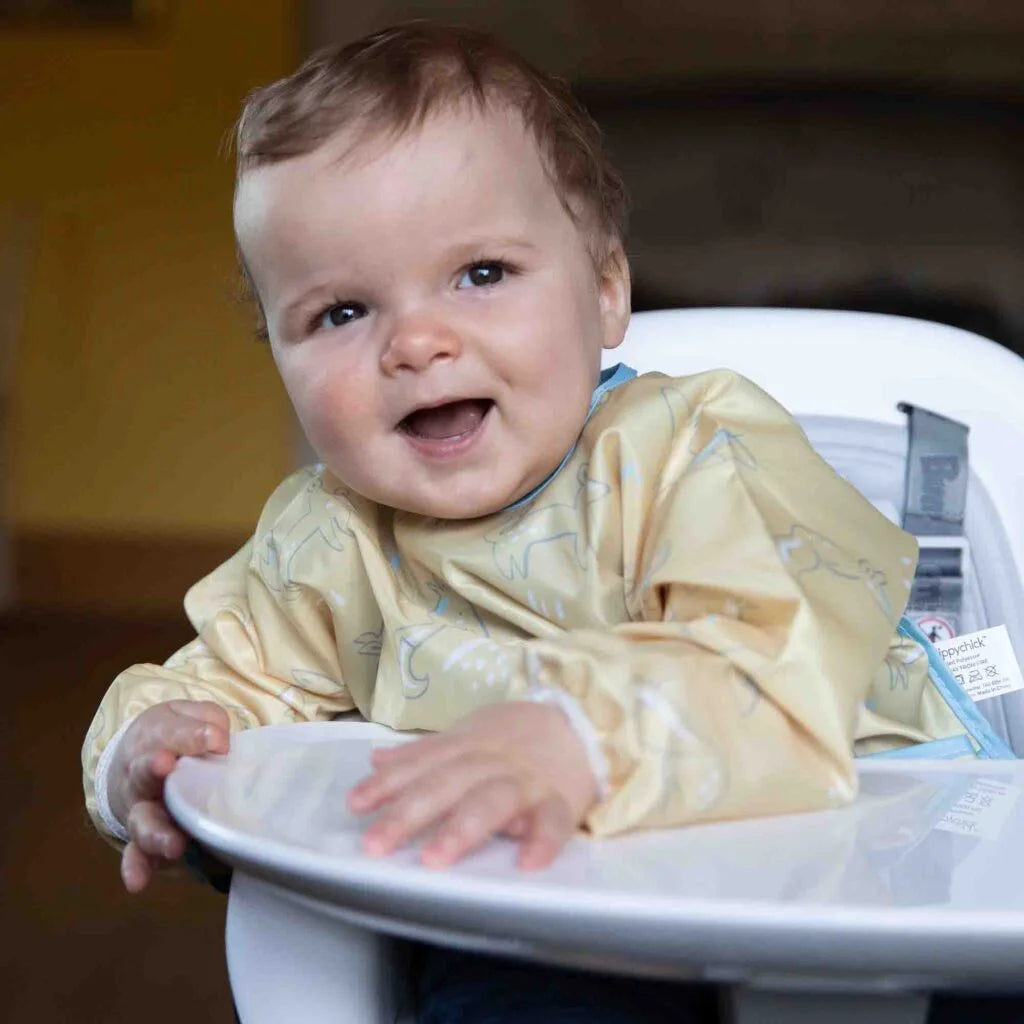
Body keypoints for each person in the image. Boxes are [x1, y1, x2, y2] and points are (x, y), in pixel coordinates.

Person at [81, 21, 990, 1024]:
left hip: (874, 876)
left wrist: (578, 738)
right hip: (548, 899)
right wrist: (145, 751)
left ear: (604, 293)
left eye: (480, 274)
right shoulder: (328, 538)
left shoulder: (696, 447)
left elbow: (780, 652)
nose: (417, 342)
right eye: (341, 313)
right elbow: (221, 682)